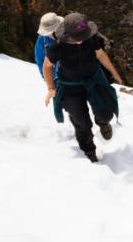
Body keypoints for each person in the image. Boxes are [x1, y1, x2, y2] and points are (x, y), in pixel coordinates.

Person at [43, 12, 124, 163]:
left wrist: (115, 73)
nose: (80, 41)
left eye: (82, 37)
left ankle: (103, 122)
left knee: (106, 111)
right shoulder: (58, 47)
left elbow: (100, 55)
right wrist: (51, 89)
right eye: (76, 39)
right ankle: (89, 151)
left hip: (93, 78)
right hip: (70, 86)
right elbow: (47, 66)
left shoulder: (90, 38)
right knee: (83, 124)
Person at [34, 12, 63, 81]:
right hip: (57, 79)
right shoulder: (42, 40)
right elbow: (40, 60)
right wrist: (50, 82)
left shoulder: (71, 31)